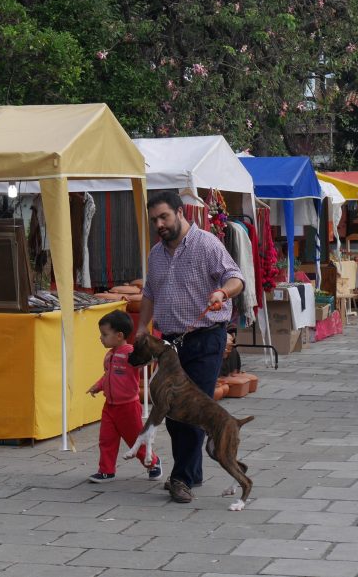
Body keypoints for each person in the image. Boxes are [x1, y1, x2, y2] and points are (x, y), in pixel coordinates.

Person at [140, 190, 244, 504]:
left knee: (192, 409)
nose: (159, 224)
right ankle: (192, 472)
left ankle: (181, 478)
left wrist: (222, 293)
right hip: (171, 344)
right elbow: (149, 294)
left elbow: (235, 277)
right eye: (154, 220)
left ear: (180, 212)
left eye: (164, 217)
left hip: (205, 339)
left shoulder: (207, 244)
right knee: (173, 412)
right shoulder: (156, 254)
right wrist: (140, 330)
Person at [86, 310, 161, 483]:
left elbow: (146, 360)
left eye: (104, 334)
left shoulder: (131, 353)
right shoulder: (109, 355)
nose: (101, 338)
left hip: (128, 407)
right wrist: (98, 386)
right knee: (106, 440)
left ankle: (153, 462)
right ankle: (106, 471)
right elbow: (107, 375)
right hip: (109, 407)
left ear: (119, 335)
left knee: (136, 440)